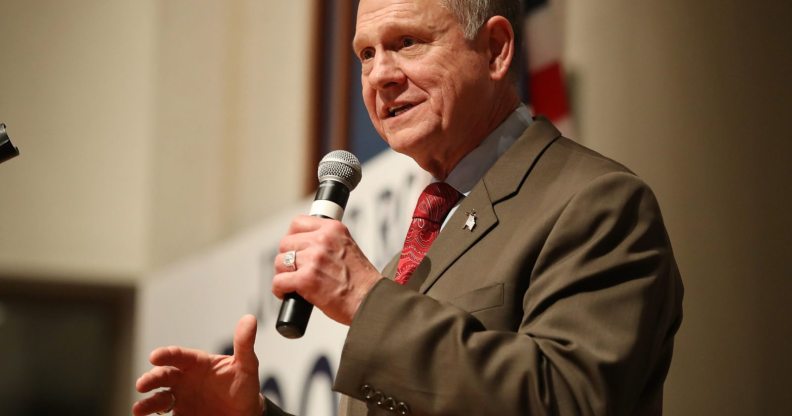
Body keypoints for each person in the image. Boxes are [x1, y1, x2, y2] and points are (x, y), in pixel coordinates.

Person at [133, 0, 683, 415]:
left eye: (408, 43)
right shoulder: (416, 247)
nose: (379, 76)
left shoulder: (596, 203)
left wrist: (364, 297)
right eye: (366, 54)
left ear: (495, 49)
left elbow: (567, 399)